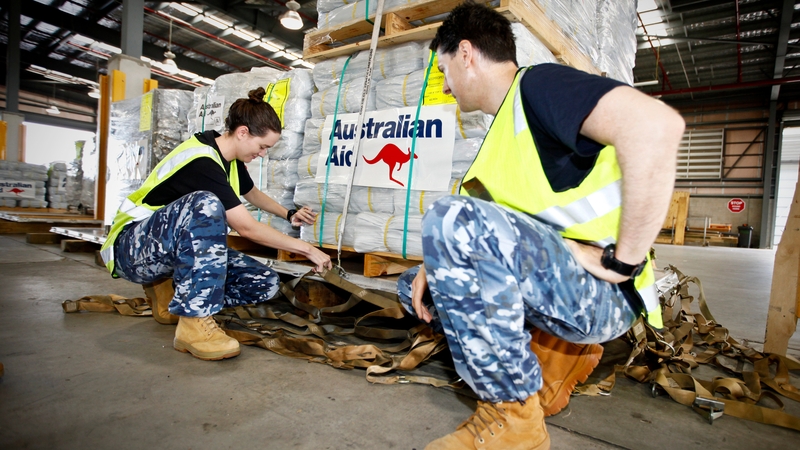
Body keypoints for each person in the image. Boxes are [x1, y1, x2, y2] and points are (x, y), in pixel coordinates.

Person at [396, 3, 685, 449]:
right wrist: (430, 265)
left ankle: (514, 421)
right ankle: (545, 365)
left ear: (467, 54)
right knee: (416, 287)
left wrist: (622, 260)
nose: (445, 82)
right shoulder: (498, 137)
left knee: (451, 218)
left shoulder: (538, 86)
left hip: (605, 292)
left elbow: (657, 127)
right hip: (567, 284)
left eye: (444, 67)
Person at [100, 87, 332, 361]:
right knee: (206, 204)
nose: (263, 154)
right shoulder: (201, 161)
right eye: (262, 146)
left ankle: (170, 290)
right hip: (131, 250)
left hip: (168, 250)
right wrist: (306, 249)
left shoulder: (230, 160)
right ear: (243, 132)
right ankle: (193, 322)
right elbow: (246, 228)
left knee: (263, 282)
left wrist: (288, 213)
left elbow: (252, 194)